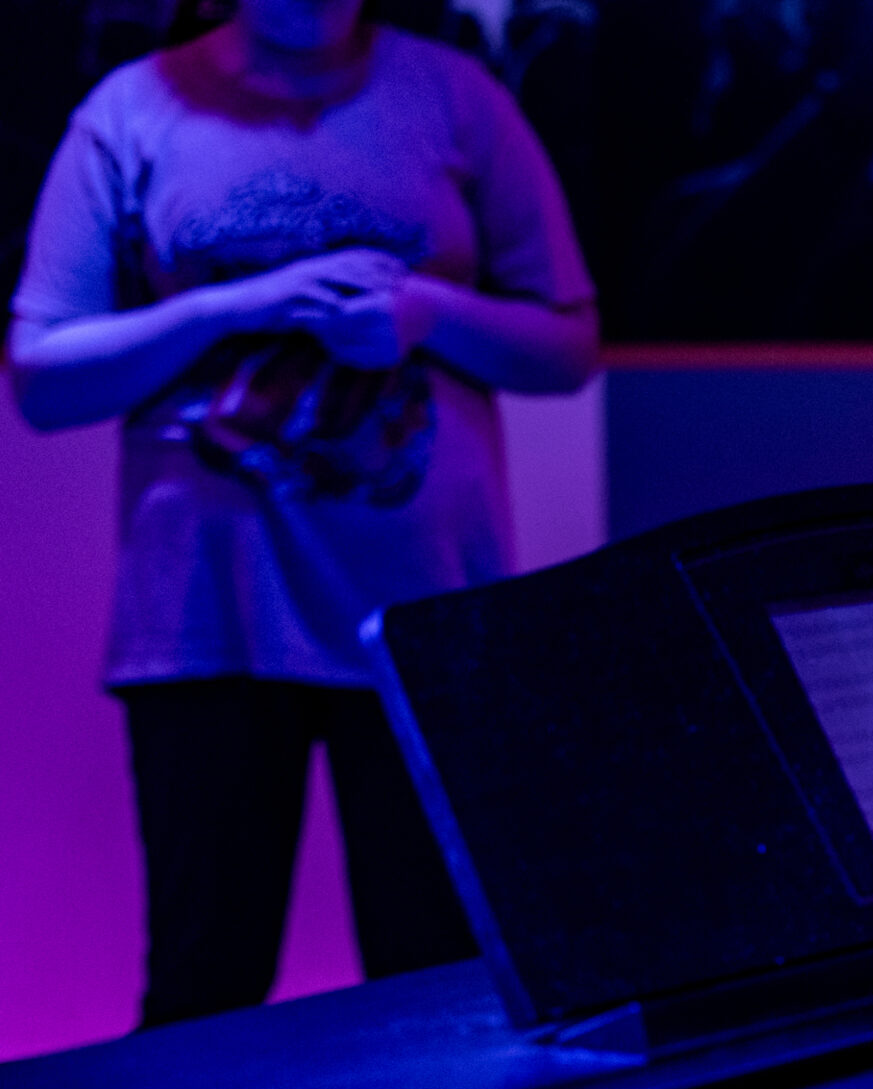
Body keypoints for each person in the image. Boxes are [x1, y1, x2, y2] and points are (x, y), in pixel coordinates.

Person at [9, 0, 598, 1027]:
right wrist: (241, 303)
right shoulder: (131, 111)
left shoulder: (456, 97)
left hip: (425, 622)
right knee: (204, 990)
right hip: (205, 623)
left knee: (440, 993)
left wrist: (428, 312)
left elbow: (566, 345)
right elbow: (46, 377)